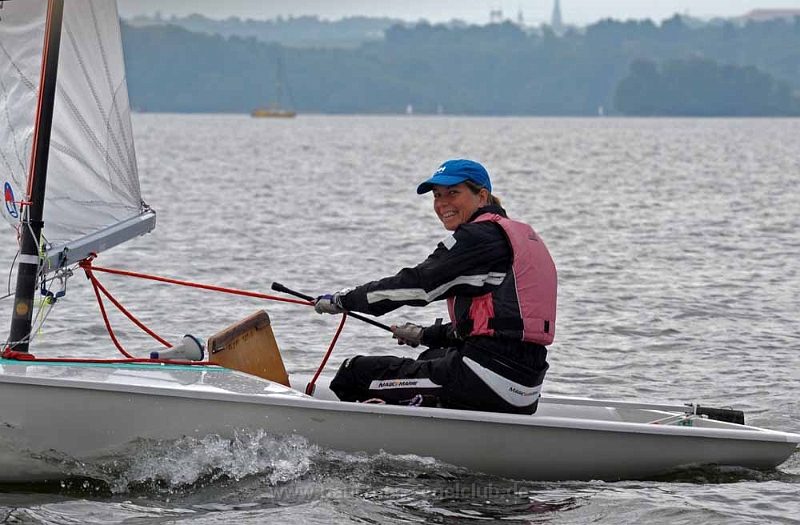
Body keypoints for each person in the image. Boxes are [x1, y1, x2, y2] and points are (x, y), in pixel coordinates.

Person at [314, 159, 557, 414]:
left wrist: (343, 300)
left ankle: (401, 423)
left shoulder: (478, 237)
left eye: (453, 193)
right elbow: (497, 326)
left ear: (482, 196)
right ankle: (427, 408)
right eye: (437, 195)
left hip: (485, 379)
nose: (442, 203)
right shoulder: (514, 237)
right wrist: (424, 334)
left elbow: (418, 285)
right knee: (431, 355)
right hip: (524, 388)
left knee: (354, 373)